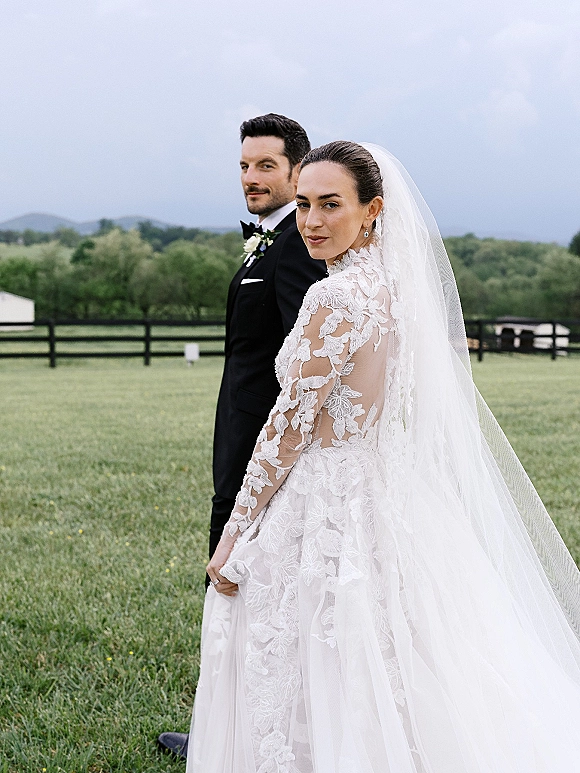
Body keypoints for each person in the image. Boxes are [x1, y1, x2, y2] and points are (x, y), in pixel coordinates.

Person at [187, 140, 580, 772]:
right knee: (401, 644)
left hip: (328, 489)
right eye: (306, 204)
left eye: (331, 205)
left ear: (372, 209)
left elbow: (288, 426)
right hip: (391, 483)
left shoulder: (333, 299)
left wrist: (236, 531)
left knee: (311, 648)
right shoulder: (399, 292)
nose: (312, 222)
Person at [157, 115, 325, 758]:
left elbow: (305, 367)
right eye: (244, 166)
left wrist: (272, 463)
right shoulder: (269, 244)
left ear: (296, 170)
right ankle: (236, 723)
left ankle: (226, 735)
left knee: (237, 578)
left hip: (265, 454)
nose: (251, 179)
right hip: (240, 443)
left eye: (266, 166)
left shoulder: (295, 253)